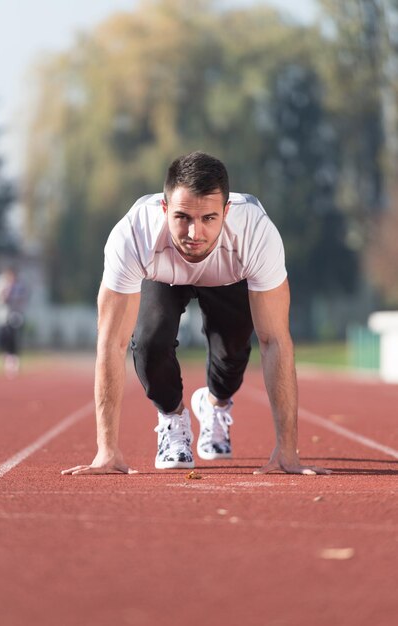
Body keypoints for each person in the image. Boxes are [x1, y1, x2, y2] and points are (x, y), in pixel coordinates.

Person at [62, 151, 330, 476]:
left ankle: (214, 404)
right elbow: (111, 343)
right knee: (147, 343)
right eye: (183, 217)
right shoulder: (134, 234)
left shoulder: (256, 233)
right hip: (162, 275)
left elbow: (274, 341)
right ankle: (173, 420)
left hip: (228, 274)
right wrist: (106, 449)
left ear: (226, 212)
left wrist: (288, 451)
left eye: (208, 218)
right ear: (164, 209)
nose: (194, 234)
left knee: (232, 352)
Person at [0, 267, 28, 377]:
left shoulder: (19, 285)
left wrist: (17, 301)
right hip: (1, 316)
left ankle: (14, 359)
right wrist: (0, 297)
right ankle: (7, 357)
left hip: (15, 315)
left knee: (14, 336)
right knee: (4, 338)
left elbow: (24, 298)